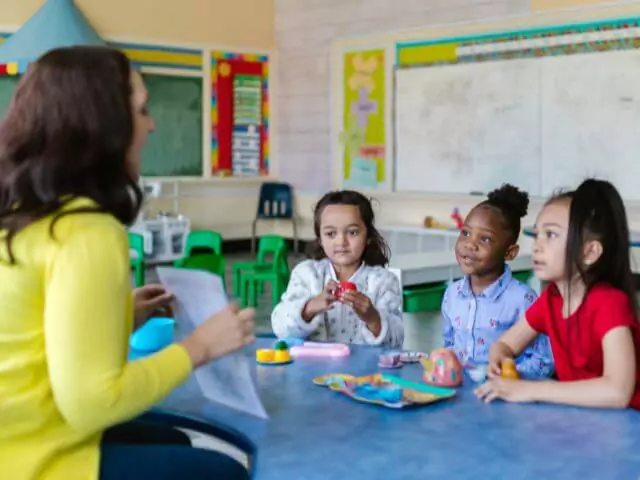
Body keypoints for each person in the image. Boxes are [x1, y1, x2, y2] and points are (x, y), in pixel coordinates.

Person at [0, 46, 255, 480]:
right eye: (141, 110)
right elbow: (92, 402)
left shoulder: (24, 214)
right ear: (103, 127)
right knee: (224, 471)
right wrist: (200, 347)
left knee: (174, 442)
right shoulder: (87, 231)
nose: (152, 124)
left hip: (18, 437)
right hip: (32, 460)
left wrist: (120, 315)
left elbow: (30, 343)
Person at [476, 179, 640, 409]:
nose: (537, 245)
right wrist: (499, 359)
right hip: (584, 425)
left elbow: (618, 392)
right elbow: (505, 345)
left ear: (589, 252)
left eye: (551, 235)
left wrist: (531, 390)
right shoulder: (551, 300)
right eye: (537, 234)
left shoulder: (609, 303)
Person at [442, 184, 554, 379]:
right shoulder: (452, 294)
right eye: (466, 233)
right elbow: (449, 344)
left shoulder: (522, 299)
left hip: (505, 398)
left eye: (485, 239)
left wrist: (505, 376)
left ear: (510, 253)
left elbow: (544, 360)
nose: (470, 244)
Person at [271, 190, 403, 348]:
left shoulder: (384, 281)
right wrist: (309, 308)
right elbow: (280, 328)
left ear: (368, 236)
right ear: (320, 238)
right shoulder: (306, 274)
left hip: (364, 371)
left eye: (352, 232)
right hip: (313, 369)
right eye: (331, 233)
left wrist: (373, 319)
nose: (341, 241)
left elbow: (397, 340)